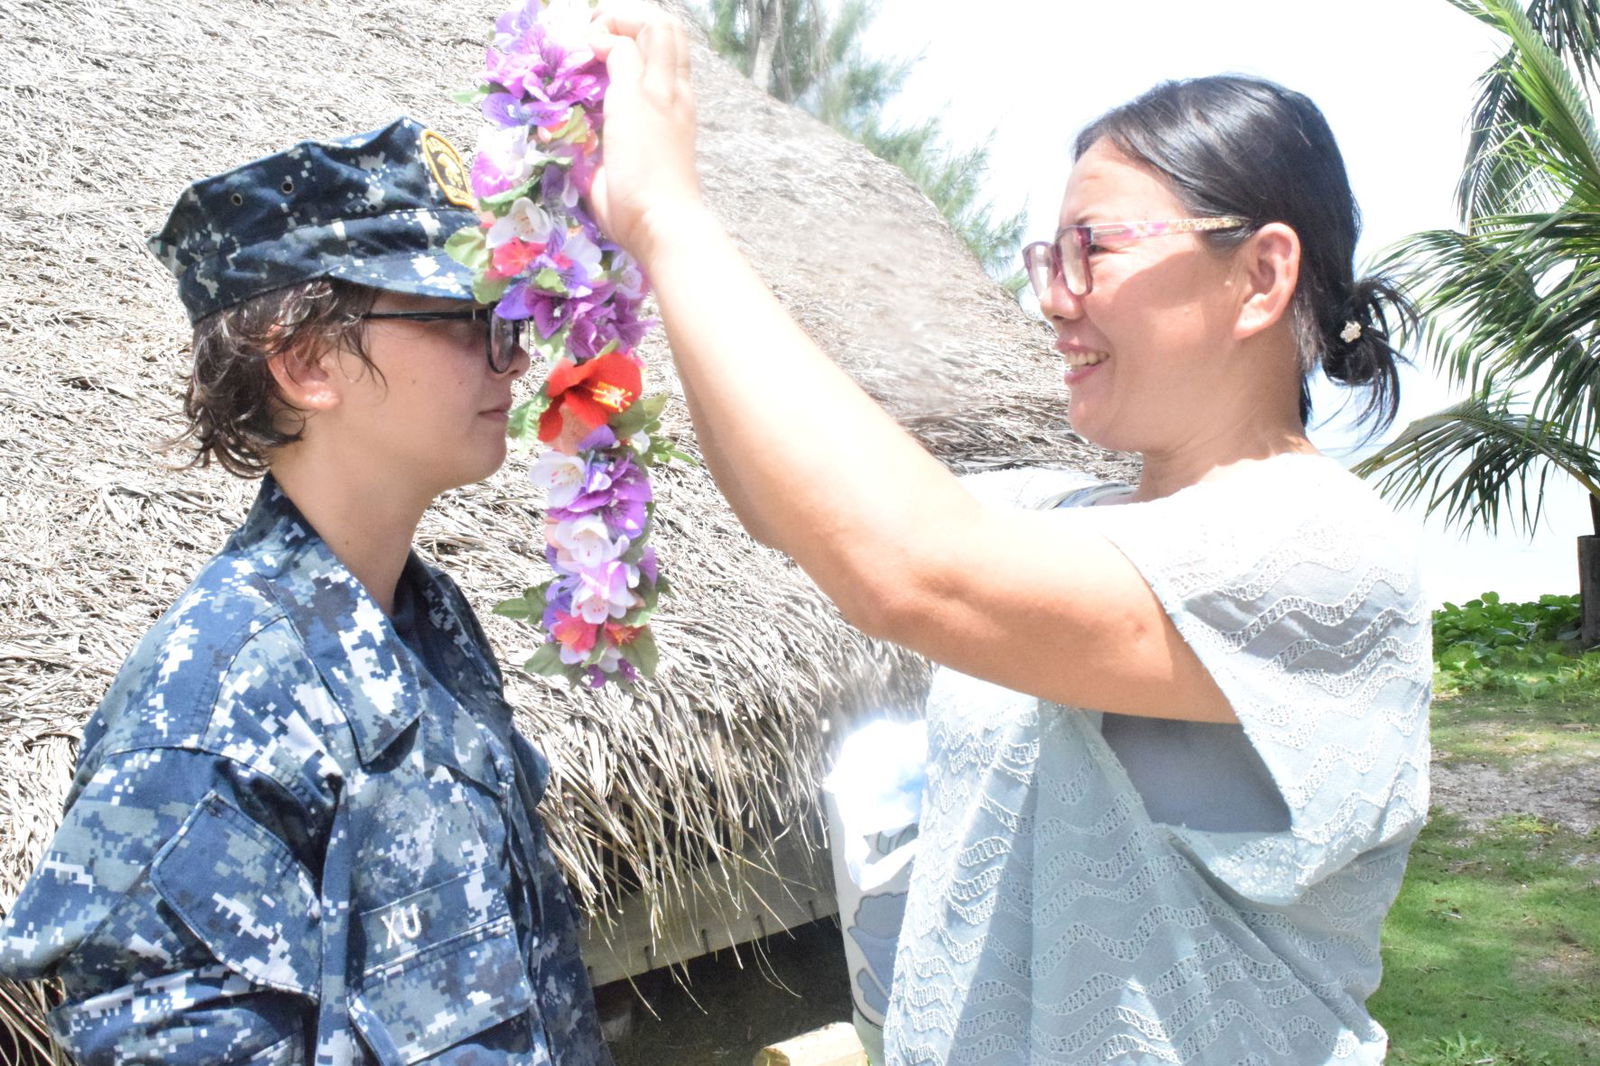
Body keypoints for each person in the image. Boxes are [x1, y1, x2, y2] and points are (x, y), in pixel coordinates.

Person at [586, 9, 1429, 1065]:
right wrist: (652, 251)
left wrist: (675, 216)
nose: (1051, 300)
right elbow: (788, 507)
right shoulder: (1057, 513)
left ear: (1259, 276)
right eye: (1048, 255)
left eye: (1094, 251)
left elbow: (910, 568)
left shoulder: (1316, 555)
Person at [0, 118, 610, 1065]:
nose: (517, 356)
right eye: (465, 317)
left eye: (514, 318)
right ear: (305, 361)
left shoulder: (429, 619)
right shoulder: (206, 721)